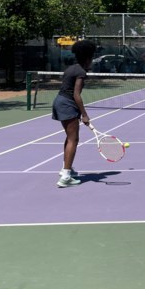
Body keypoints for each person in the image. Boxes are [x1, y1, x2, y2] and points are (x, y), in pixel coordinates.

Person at [51, 39, 97, 188]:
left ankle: (67, 168)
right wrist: (84, 114)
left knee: (69, 138)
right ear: (87, 58)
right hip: (67, 104)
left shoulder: (71, 68)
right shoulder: (81, 72)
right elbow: (76, 95)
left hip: (60, 101)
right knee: (74, 139)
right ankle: (65, 177)